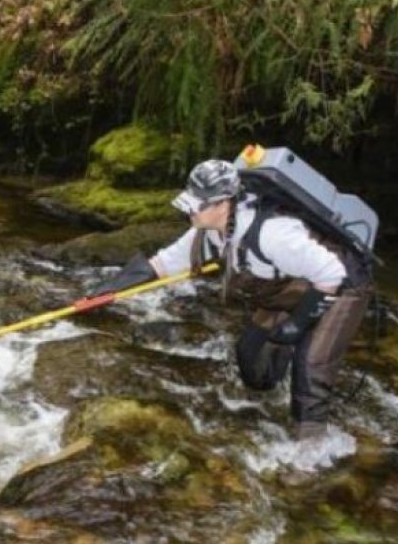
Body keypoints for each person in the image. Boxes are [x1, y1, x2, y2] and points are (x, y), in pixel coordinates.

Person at [92, 159, 373, 440]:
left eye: (198, 204)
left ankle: (311, 449)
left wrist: (299, 323)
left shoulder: (274, 234)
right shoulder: (210, 230)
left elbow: (332, 273)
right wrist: (107, 289)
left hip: (342, 285)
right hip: (294, 285)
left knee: (311, 366)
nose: (190, 210)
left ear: (224, 204)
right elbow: (164, 263)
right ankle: (271, 403)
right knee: (249, 354)